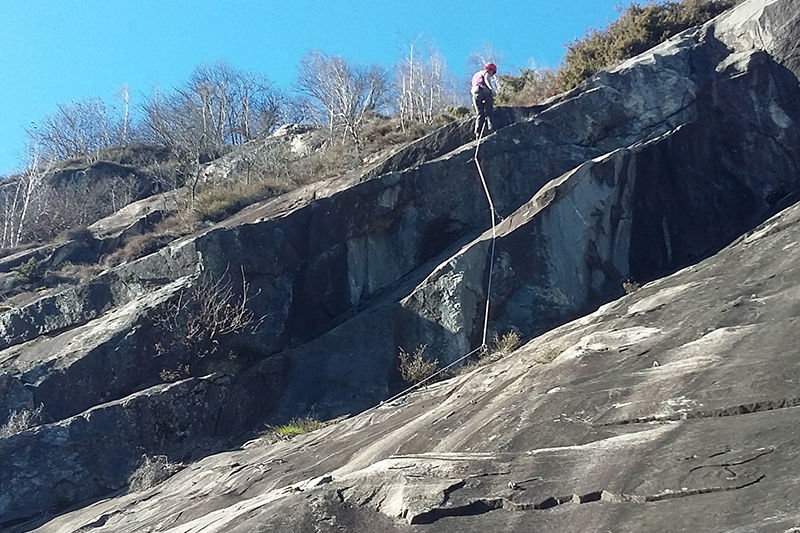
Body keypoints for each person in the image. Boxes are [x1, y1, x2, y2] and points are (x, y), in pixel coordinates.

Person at [471, 63, 497, 138]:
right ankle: (491, 128)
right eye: (493, 73)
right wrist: (491, 89)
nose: (492, 75)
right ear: (491, 70)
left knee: (479, 114)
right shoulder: (486, 72)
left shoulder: (476, 75)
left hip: (475, 93)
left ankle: (477, 133)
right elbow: (486, 79)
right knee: (489, 110)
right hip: (483, 90)